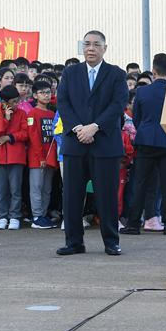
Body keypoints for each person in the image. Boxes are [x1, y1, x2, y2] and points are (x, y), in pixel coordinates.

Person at [55, 30, 128, 256]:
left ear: (105, 48)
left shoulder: (115, 74)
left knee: (106, 196)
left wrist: (95, 126)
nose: (91, 48)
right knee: (73, 195)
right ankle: (74, 242)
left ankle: (111, 242)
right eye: (87, 44)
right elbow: (63, 102)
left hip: (104, 142)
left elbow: (118, 104)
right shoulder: (70, 73)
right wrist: (78, 128)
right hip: (75, 142)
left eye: (96, 44)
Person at [120, 53, 166, 236]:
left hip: (145, 140)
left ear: (153, 70)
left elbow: (136, 117)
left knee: (140, 183)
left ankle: (133, 223)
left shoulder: (143, 91)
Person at [0, 85, 28, 230]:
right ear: (4, 103)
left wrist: (10, 137)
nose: (16, 104)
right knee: (0, 190)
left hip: (16, 157)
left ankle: (15, 216)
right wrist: (6, 118)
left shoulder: (23, 114)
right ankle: (2, 216)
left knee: (15, 189)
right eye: (13, 102)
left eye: (17, 101)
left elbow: (25, 133)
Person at [27, 81, 59, 229]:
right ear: (35, 95)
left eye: (48, 92)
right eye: (42, 93)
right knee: (36, 187)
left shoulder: (53, 114)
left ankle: (43, 215)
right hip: (37, 157)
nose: (46, 95)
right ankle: (36, 216)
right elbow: (33, 137)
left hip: (50, 156)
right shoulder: (32, 113)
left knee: (47, 188)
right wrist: (40, 157)